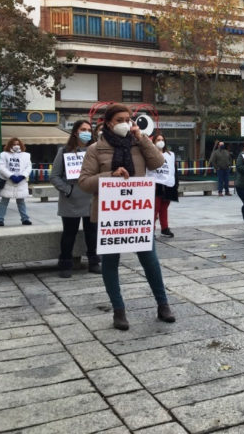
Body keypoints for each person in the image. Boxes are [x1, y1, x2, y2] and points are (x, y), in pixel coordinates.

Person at [78, 103, 175, 331]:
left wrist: (141, 138)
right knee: (110, 263)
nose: (126, 123)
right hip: (109, 215)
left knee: (150, 261)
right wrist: (109, 175)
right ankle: (118, 310)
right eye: (120, 119)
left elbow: (158, 162)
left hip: (137, 213)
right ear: (108, 122)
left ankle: (163, 304)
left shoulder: (137, 143)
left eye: (128, 119)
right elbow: (84, 182)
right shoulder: (96, 149)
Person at [50, 120, 100, 277]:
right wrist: (68, 190)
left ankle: (94, 261)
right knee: (69, 233)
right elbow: (54, 176)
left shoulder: (96, 151)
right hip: (71, 200)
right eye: (83, 129)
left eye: (89, 129)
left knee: (92, 233)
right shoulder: (64, 151)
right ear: (76, 132)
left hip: (91, 198)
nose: (87, 132)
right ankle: (65, 263)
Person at [0, 137, 32, 227]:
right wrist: (11, 176)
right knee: (4, 201)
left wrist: (22, 176)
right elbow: (1, 167)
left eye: (17, 144)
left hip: (21, 181)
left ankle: (25, 219)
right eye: (14, 144)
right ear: (9, 145)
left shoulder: (26, 155)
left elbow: (28, 167)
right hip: (8, 181)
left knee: (21, 201)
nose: (16, 146)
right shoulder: (4, 154)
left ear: (21, 145)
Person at [148, 133, 178, 238]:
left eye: (162, 139)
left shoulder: (170, 155)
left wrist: (175, 184)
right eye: (158, 140)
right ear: (154, 142)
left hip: (168, 184)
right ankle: (151, 230)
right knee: (154, 209)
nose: (160, 141)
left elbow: (173, 170)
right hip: (156, 184)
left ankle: (165, 228)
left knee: (164, 208)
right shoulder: (150, 154)